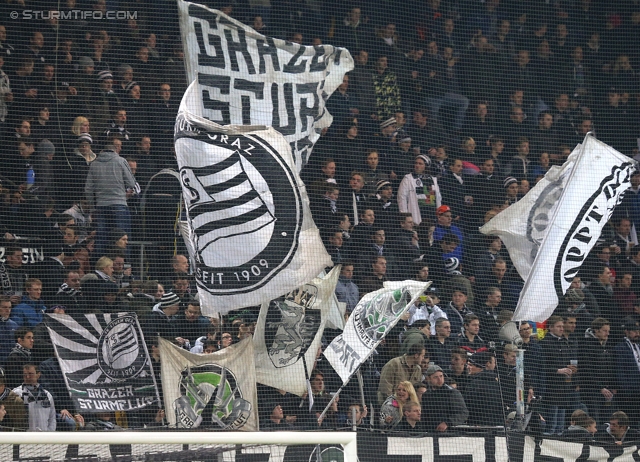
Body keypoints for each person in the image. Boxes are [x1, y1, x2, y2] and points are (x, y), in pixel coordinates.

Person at [85, 133, 137, 256]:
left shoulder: (94, 164)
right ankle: (124, 265)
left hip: (101, 206)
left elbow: (88, 189)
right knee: (122, 237)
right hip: (119, 204)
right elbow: (131, 182)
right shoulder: (120, 161)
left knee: (101, 237)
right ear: (115, 149)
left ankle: (99, 265)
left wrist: (94, 205)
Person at [422, 364, 469, 432]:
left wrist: (447, 422)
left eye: (441, 376)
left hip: (450, 433)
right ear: (428, 379)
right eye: (435, 377)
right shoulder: (426, 395)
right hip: (431, 432)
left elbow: (463, 413)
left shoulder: (452, 393)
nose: (439, 379)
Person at [397, 155, 441, 226]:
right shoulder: (407, 179)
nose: (417, 165)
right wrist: (404, 217)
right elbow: (402, 198)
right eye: (416, 163)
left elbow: (438, 198)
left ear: (426, 166)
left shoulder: (433, 180)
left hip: (432, 217)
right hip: (415, 218)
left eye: (420, 164)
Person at [12, 363, 56, 431]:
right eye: (25, 374)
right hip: (25, 438)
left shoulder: (47, 395)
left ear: (38, 374)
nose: (27, 377)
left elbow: (52, 418)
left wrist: (49, 434)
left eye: (30, 374)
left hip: (44, 438)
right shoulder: (16, 393)